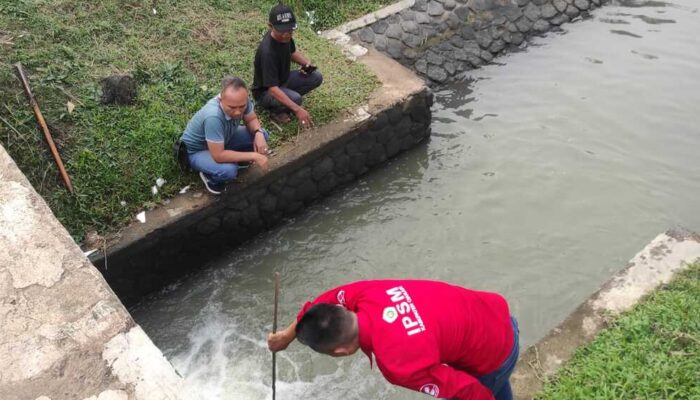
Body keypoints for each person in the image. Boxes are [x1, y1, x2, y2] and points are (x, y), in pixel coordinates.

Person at [268, 280, 519, 400]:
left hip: (495, 355)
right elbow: (324, 301)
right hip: (496, 314)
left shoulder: (396, 364)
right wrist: (287, 337)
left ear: (342, 351)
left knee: (489, 390)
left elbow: (466, 390)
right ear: (344, 310)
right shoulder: (367, 293)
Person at [180, 76, 270, 195]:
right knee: (229, 170)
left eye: (241, 107)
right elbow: (219, 155)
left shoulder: (243, 101)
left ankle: (238, 159)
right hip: (197, 151)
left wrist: (258, 133)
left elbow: (251, 119)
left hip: (222, 139)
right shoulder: (213, 116)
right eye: (232, 107)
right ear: (221, 100)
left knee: (263, 135)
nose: (238, 112)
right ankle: (209, 176)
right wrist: (254, 156)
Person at [252, 4, 323, 127]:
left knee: (316, 77)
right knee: (296, 100)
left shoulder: (285, 37)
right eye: (282, 30)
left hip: (282, 79)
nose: (286, 34)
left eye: (290, 30)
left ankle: (286, 99)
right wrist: (297, 109)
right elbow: (272, 89)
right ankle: (276, 111)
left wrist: (306, 64)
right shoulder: (267, 52)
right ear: (270, 26)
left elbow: (292, 52)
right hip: (265, 92)